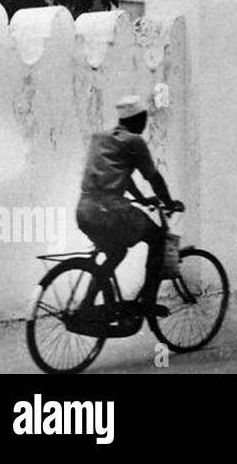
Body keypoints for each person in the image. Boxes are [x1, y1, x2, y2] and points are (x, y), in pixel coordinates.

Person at [76, 96, 183, 320]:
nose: (144, 124)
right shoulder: (134, 141)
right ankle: (149, 302)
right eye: (143, 119)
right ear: (138, 119)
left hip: (85, 210)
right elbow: (153, 176)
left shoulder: (100, 138)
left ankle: (86, 305)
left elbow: (122, 174)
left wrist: (143, 199)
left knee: (116, 252)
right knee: (158, 239)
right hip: (111, 210)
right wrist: (169, 202)